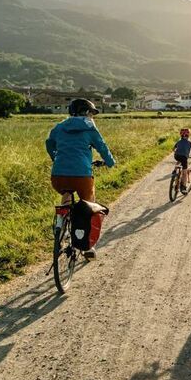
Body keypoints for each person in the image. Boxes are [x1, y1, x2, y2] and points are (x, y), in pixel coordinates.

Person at [46, 98, 116, 260]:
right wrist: (110, 162)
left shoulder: (59, 127)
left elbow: (49, 143)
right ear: (86, 112)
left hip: (58, 176)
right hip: (82, 175)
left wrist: (55, 157)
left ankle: (61, 227)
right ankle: (88, 248)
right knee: (89, 203)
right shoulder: (90, 128)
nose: (92, 117)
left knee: (66, 194)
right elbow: (102, 147)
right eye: (91, 113)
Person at [173, 128, 191, 193]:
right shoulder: (189, 142)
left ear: (181, 135)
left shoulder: (178, 141)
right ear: (188, 135)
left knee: (179, 160)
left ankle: (175, 171)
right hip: (184, 158)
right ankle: (183, 188)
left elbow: (173, 149)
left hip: (176, 156)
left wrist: (176, 152)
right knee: (184, 173)